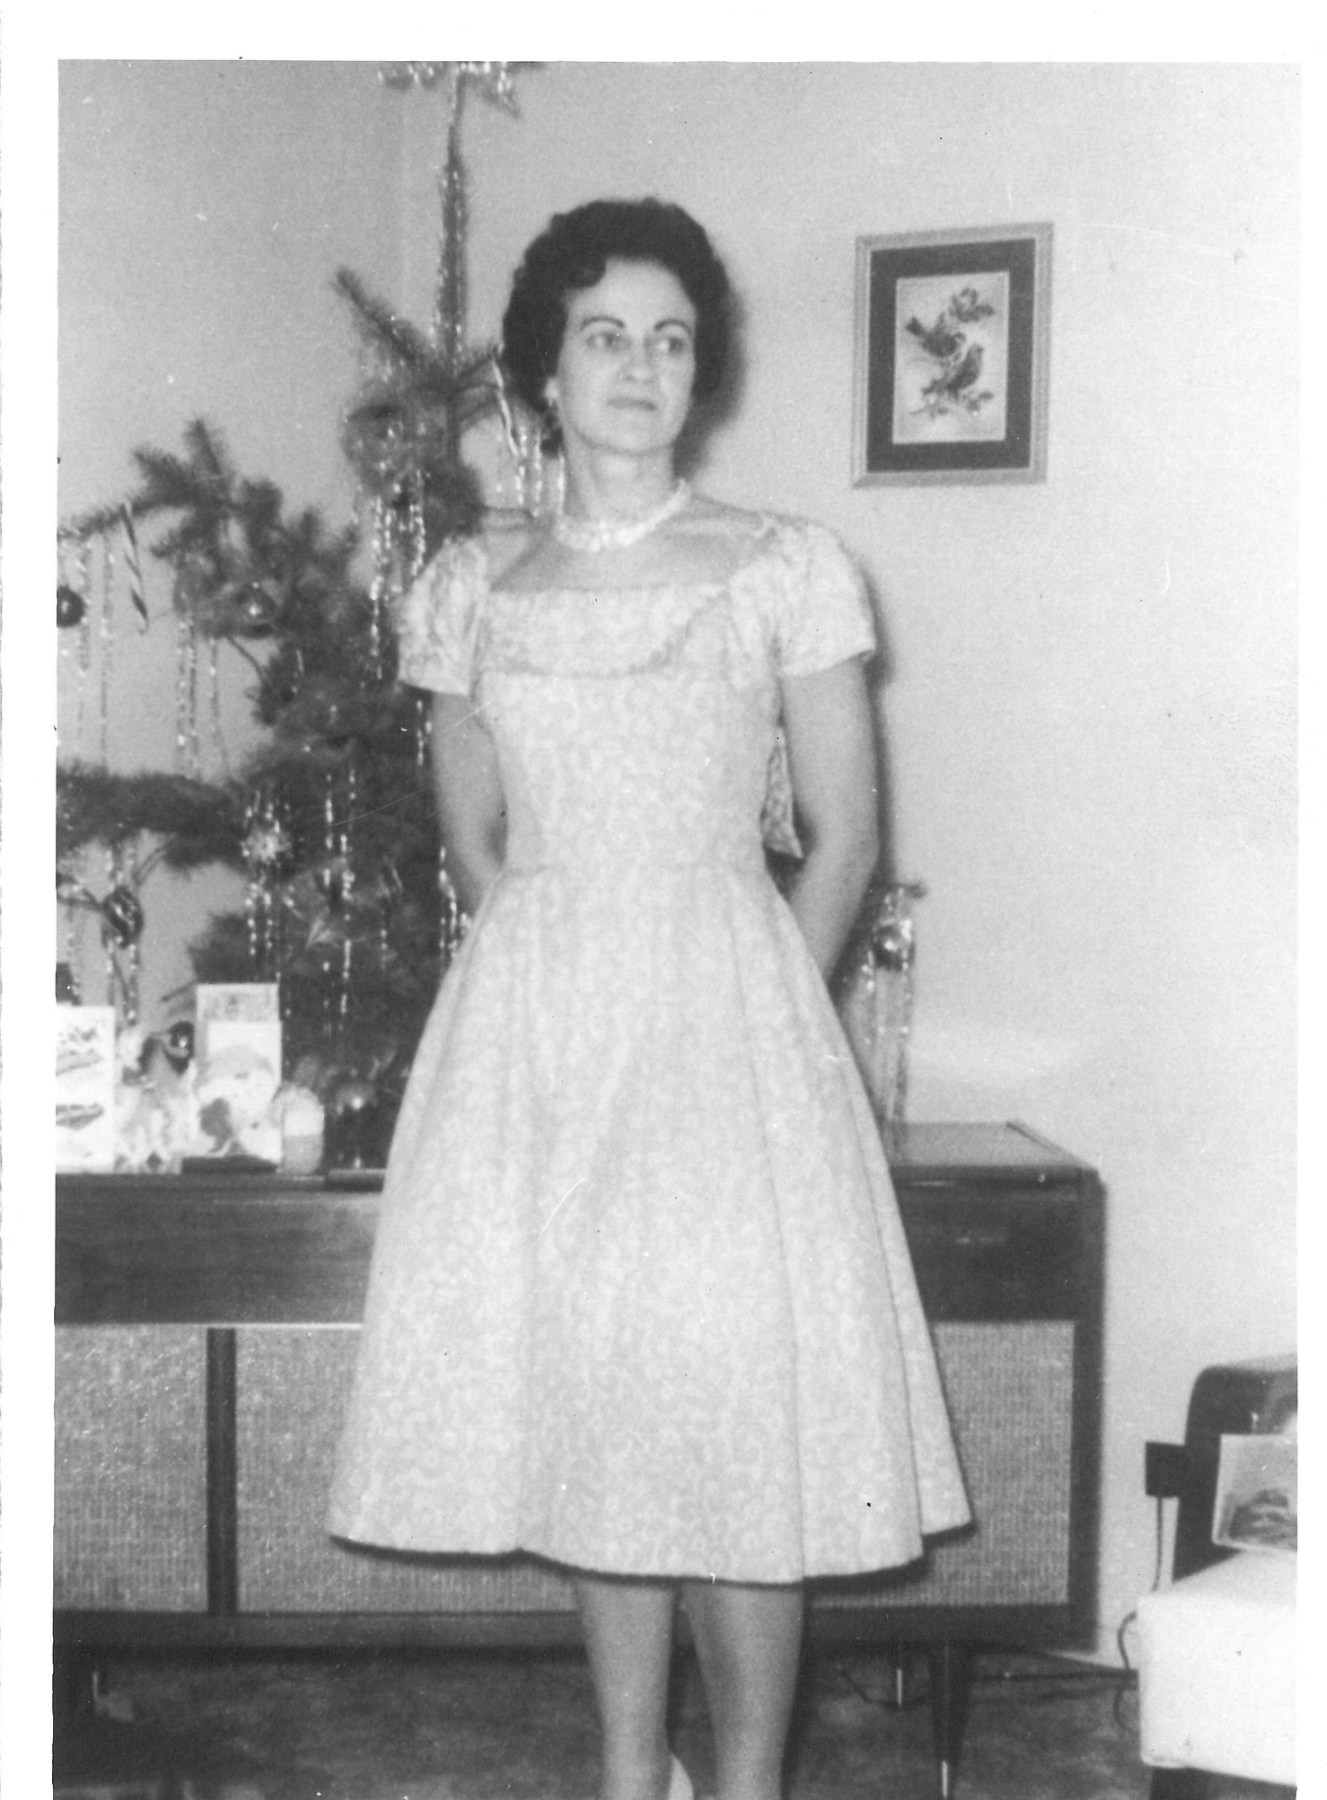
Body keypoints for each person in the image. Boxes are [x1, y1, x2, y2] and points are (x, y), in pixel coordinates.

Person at [329, 197, 970, 1800]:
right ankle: (633, 1774)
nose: (639, 366)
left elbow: (845, 838)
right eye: (604, 336)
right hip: (549, 1043)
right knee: (604, 1409)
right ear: (543, 373)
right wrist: (563, 988)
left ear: (702, 370)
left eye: (671, 340)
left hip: (731, 1038)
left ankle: (744, 1783)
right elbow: (478, 845)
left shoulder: (780, 567)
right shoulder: (475, 589)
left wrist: (749, 1012)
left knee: (740, 1419)